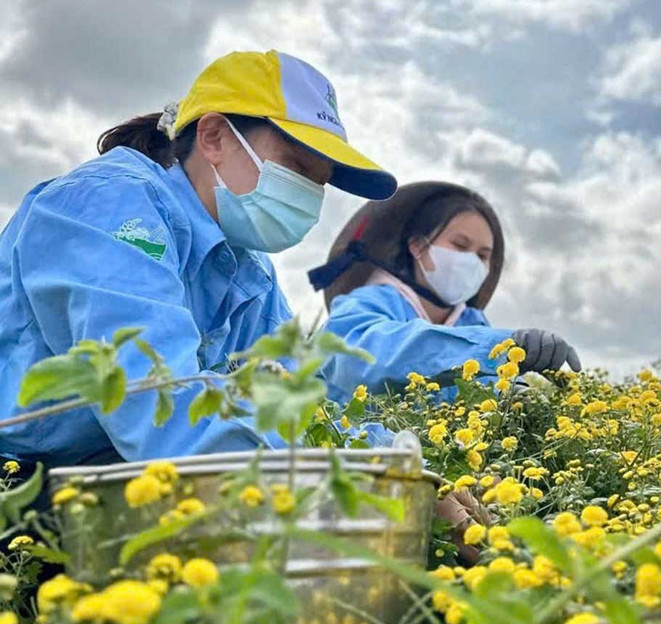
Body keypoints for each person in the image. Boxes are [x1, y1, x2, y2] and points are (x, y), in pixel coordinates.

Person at [0, 50, 396, 467]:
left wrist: (395, 461)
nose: (308, 196)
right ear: (213, 137)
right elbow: (160, 405)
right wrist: (361, 475)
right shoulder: (110, 205)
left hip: (94, 474)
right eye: (296, 168)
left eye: (319, 183)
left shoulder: (246, 271)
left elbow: (297, 402)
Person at [307, 181, 581, 405]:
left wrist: (517, 393)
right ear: (418, 246)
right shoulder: (363, 304)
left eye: (483, 255)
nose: (472, 261)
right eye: (460, 246)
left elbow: (489, 393)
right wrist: (499, 348)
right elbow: (366, 359)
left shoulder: (472, 323)